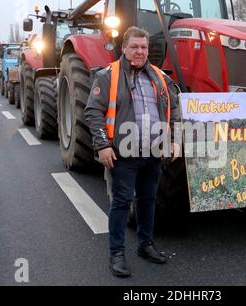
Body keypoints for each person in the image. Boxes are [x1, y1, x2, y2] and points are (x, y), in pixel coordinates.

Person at [85, 26, 181, 278]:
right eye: (135, 47)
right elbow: (93, 112)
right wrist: (102, 145)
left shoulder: (160, 77)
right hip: (123, 153)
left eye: (144, 47)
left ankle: (145, 245)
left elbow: (175, 110)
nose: (140, 51)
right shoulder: (108, 76)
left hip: (153, 152)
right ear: (124, 49)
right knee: (121, 202)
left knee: (148, 200)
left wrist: (174, 140)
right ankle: (117, 253)